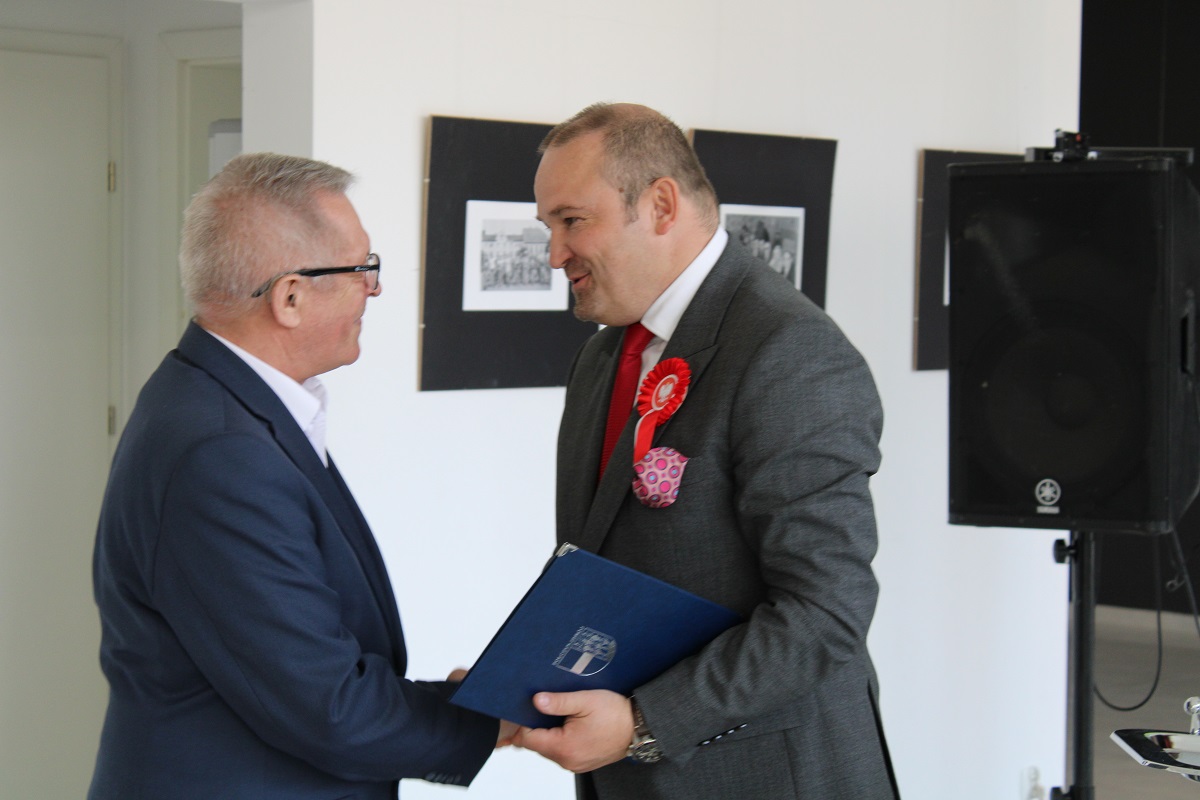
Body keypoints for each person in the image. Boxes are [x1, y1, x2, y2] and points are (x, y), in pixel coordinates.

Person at [89, 153, 511, 799]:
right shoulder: (221, 452)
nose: (374, 289)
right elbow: (330, 708)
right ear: (290, 296)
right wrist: (486, 719)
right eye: (362, 269)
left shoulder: (213, 399)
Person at [514, 103, 898, 799]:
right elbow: (603, 567)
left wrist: (644, 724)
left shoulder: (790, 352)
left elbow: (826, 613)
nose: (554, 254)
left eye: (573, 221)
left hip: (765, 778)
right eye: (549, 228)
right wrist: (523, 682)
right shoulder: (603, 356)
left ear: (661, 205)